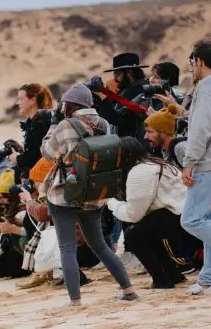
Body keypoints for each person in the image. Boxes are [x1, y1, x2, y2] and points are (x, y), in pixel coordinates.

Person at [41, 84, 138, 306]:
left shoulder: (65, 125)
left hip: (65, 193)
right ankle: (128, 289)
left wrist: (52, 126)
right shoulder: (103, 123)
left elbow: (47, 153)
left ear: (71, 104)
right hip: (95, 192)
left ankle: (75, 300)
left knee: (67, 247)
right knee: (101, 246)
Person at [106, 137, 189, 289]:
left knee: (134, 235)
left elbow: (133, 214)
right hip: (182, 211)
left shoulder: (140, 172)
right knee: (148, 231)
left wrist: (110, 203)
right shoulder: (154, 163)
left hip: (177, 215)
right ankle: (173, 275)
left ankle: (161, 280)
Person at [180, 40, 211, 295]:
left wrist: (189, 162)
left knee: (191, 220)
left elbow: (200, 130)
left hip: (206, 164)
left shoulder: (205, 87)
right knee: (207, 220)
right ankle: (207, 279)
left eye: (192, 63)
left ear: (199, 61)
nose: (191, 69)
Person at [95, 52, 152, 139]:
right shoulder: (129, 88)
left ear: (129, 72)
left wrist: (104, 97)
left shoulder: (136, 88)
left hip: (134, 142)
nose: (115, 78)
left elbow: (120, 119)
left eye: (117, 73)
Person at [13, 83, 55, 180]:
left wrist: (17, 159)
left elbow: (39, 155)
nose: (17, 103)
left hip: (44, 179)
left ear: (32, 100)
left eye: (21, 99)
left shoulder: (39, 123)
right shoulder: (34, 122)